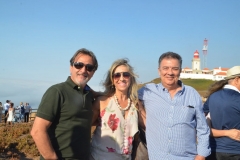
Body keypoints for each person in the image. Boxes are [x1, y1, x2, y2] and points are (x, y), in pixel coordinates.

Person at [138, 51, 210, 160]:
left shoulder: (192, 94)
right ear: (159, 71)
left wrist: (201, 155)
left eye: (175, 69)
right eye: (165, 68)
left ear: (180, 71)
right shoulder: (147, 91)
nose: (170, 72)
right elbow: (126, 96)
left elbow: (203, 129)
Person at [31, 48, 98, 160]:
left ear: (93, 72)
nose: (83, 70)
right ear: (71, 67)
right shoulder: (57, 92)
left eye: (89, 67)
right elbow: (37, 131)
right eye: (79, 65)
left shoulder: (89, 95)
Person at [90, 59, 139, 160]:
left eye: (125, 74)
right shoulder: (102, 102)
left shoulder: (135, 105)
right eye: (117, 75)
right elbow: (86, 128)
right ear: (112, 79)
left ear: (131, 78)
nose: (121, 78)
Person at [203, 66, 240, 160]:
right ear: (237, 80)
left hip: (213, 150)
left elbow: (201, 121)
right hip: (235, 151)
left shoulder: (212, 96)